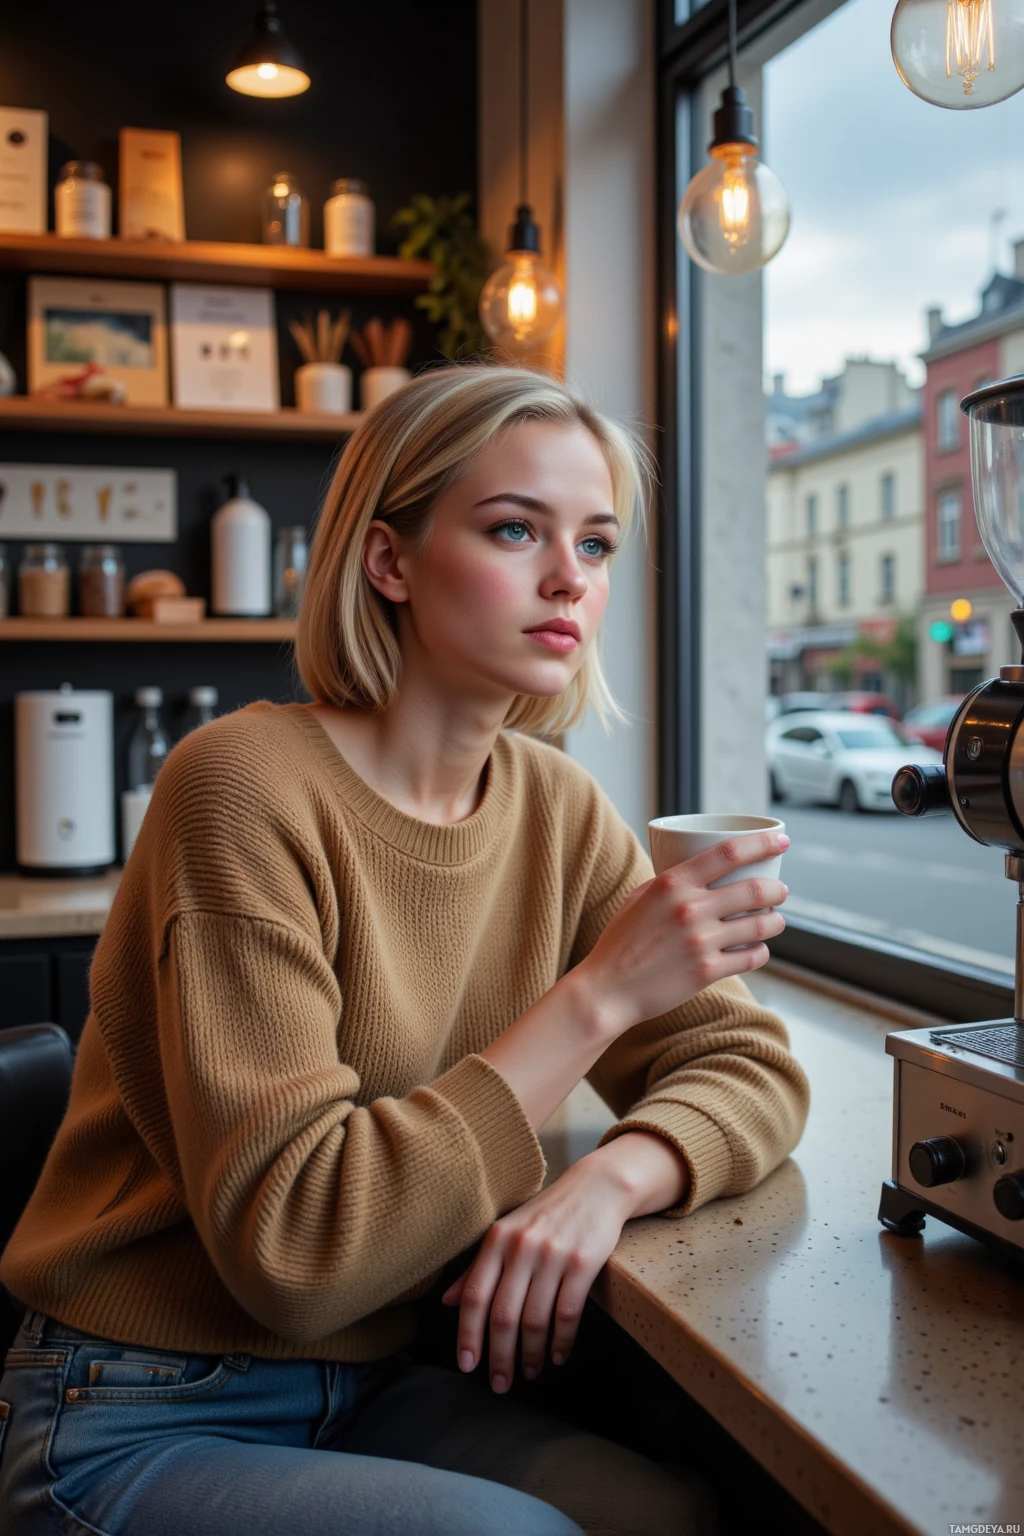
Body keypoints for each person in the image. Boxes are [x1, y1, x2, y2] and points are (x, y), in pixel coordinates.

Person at [0, 363, 809, 1536]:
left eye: (595, 545)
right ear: (388, 560)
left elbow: (754, 1068)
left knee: (668, 1513)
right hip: (134, 1409)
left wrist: (605, 1182)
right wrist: (595, 999)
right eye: (514, 529)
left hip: (370, 1382)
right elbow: (298, 1253)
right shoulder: (240, 787)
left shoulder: (557, 806)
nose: (566, 580)